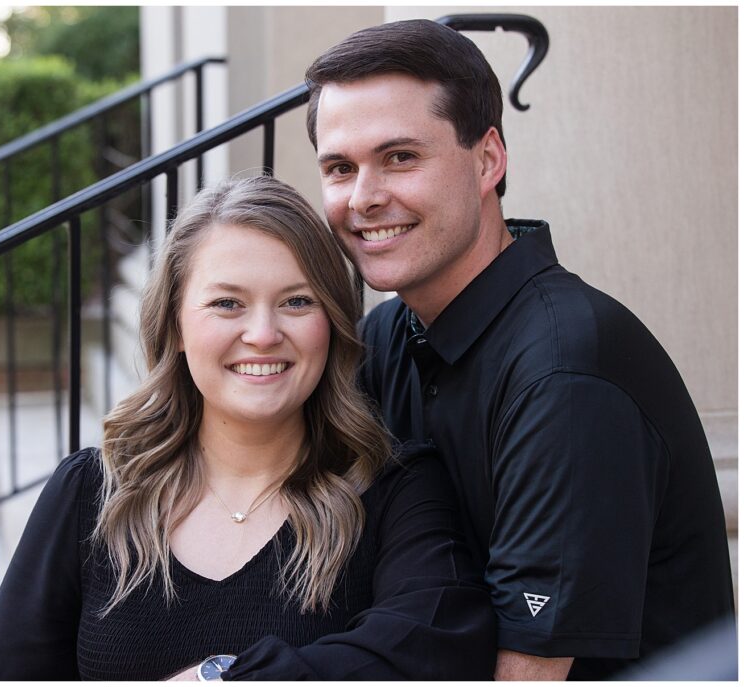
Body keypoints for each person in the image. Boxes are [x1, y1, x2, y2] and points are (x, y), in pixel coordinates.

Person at [304, 18, 735, 681]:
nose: (364, 197)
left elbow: (530, 670)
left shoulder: (565, 370)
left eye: (399, 157)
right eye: (340, 167)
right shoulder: (393, 333)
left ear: (488, 159)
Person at [0, 175, 496, 681]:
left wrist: (231, 679)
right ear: (174, 324)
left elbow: (438, 652)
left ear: (332, 323)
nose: (262, 334)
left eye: (296, 301)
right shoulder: (92, 493)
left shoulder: (395, 490)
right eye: (227, 304)